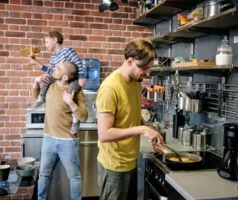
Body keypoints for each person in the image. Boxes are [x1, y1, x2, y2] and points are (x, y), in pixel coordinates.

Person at [95, 38, 165, 200]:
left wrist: (149, 131)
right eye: (144, 68)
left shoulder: (135, 81)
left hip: (130, 161)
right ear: (130, 61)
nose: (147, 73)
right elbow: (104, 134)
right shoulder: (110, 88)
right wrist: (142, 129)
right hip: (114, 167)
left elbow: (131, 111)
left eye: (150, 68)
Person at [32, 61, 88, 200]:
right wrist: (35, 82)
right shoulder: (50, 85)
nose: (54, 69)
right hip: (48, 139)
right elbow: (36, 97)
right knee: (44, 174)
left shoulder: (76, 92)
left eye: (58, 68)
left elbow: (84, 116)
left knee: (74, 177)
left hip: (68, 141)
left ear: (64, 77)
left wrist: (70, 102)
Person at [30, 31, 85, 134]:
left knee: (69, 95)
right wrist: (36, 63)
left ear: (55, 40)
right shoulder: (54, 57)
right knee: (48, 76)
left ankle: (75, 118)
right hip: (60, 77)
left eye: (47, 42)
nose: (45, 45)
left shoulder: (67, 50)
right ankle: (41, 98)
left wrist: (81, 77)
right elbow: (52, 72)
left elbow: (78, 63)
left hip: (74, 79)